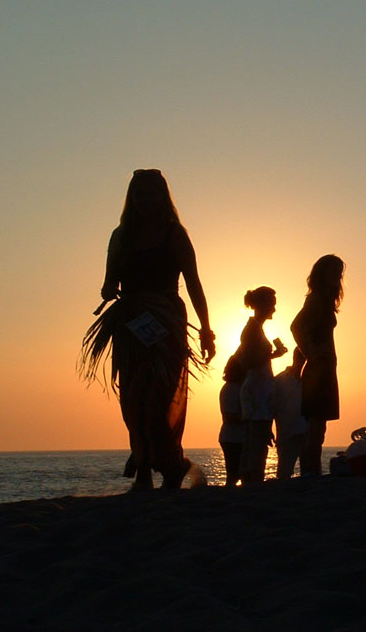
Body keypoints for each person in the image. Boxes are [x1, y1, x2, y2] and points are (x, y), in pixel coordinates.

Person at [80, 169, 216, 490]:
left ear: (163, 196)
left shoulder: (175, 235)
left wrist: (206, 329)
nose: (146, 200)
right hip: (130, 322)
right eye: (140, 194)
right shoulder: (121, 235)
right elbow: (109, 280)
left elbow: (193, 282)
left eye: (152, 193)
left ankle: (170, 465)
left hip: (166, 322)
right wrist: (108, 289)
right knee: (134, 396)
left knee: (159, 396)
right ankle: (143, 470)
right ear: (132, 198)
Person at [291, 255, 345, 476]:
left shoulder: (325, 300)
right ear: (322, 273)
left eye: (339, 272)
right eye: (333, 271)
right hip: (318, 368)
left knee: (319, 425)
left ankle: (311, 471)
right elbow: (296, 326)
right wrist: (311, 352)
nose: (337, 276)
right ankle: (310, 472)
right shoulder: (315, 299)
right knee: (315, 424)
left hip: (326, 367)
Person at [237, 286, 287, 483]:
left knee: (257, 437)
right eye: (272, 304)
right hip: (256, 390)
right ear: (263, 305)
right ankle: (252, 478)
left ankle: (252, 477)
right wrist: (272, 354)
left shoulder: (256, 329)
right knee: (256, 439)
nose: (274, 309)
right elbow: (247, 361)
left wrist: (273, 354)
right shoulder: (252, 330)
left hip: (260, 389)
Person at [273, 347, 308, 479]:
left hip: (307, 430)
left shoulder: (311, 379)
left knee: (310, 470)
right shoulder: (279, 380)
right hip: (287, 432)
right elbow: (273, 406)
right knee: (284, 472)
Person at [218, 362, 246, 487]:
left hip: (233, 436)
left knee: (236, 472)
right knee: (234, 472)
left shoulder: (233, 387)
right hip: (233, 437)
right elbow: (229, 416)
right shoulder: (231, 388)